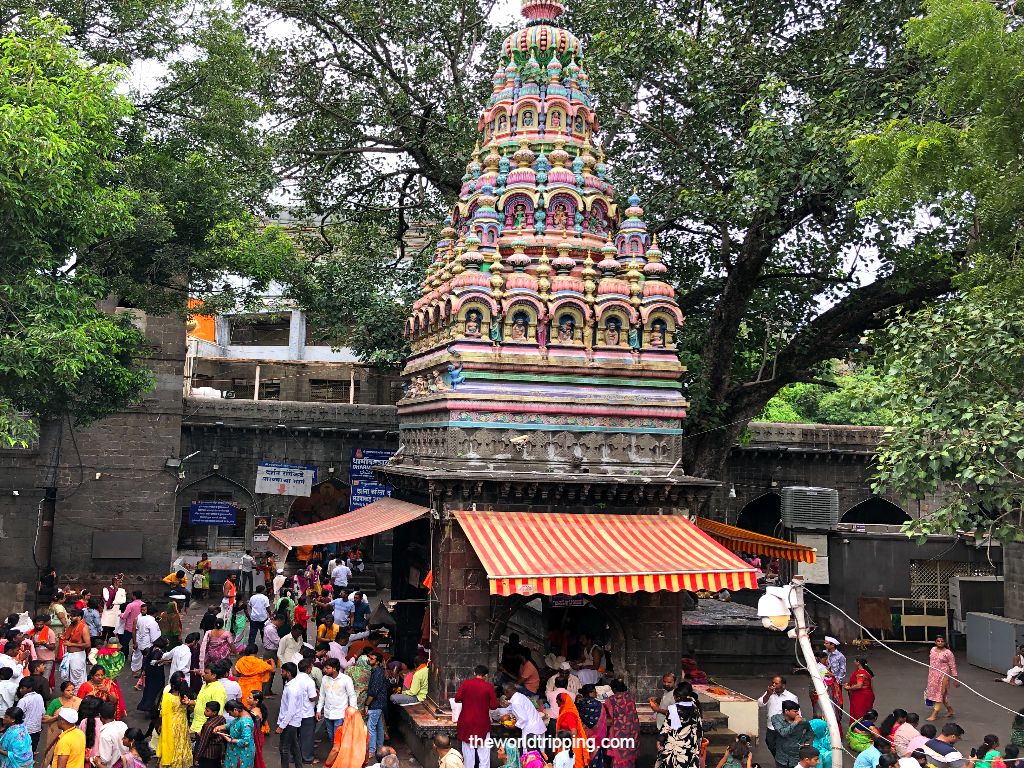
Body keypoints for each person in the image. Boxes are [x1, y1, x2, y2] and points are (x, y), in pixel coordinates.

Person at [455, 665, 498, 768]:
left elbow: (457, 698)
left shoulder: (466, 684)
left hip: (466, 722)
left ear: (474, 673)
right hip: (482, 724)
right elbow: (494, 706)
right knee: (484, 753)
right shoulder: (488, 687)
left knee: (468, 752)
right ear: (486, 676)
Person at [591, 680, 640, 768]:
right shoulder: (630, 697)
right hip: (632, 729)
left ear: (613, 689)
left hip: (619, 731)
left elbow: (606, 717)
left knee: (619, 756)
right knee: (629, 754)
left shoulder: (611, 700)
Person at [156, 673, 193, 768]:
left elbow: (162, 713)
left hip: (171, 724)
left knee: (170, 743)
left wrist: (160, 725)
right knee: (181, 743)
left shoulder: (168, 697)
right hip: (182, 724)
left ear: (172, 684)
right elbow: (190, 709)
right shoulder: (185, 697)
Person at [758, 676, 800, 758]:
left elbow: (797, 713)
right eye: (772, 683)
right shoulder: (769, 693)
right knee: (771, 745)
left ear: (783, 686)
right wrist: (767, 694)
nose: (773, 685)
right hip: (771, 727)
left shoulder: (791, 697)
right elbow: (760, 703)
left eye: (776, 683)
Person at [317, 658, 356, 744]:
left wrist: (352, 711)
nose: (324, 670)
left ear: (334, 669)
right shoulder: (324, 678)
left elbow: (352, 695)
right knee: (331, 737)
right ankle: (335, 754)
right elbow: (322, 695)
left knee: (337, 737)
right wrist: (319, 710)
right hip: (328, 713)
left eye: (327, 668)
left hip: (340, 713)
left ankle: (338, 756)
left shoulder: (346, 679)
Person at [276, 664, 305, 768]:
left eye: (283, 671)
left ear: (288, 673)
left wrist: (282, 726)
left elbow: (291, 710)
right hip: (293, 721)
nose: (281, 673)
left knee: (284, 748)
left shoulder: (291, 688)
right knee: (294, 747)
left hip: (289, 722)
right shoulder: (294, 685)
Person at [136, 638, 168, 732]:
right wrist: (163, 661)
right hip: (156, 675)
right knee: (155, 692)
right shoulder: (158, 651)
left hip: (150, 675)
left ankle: (147, 707)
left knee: (149, 691)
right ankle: (151, 709)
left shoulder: (151, 649)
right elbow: (153, 662)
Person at [925, 636, 959, 721]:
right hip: (933, 675)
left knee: (940, 693)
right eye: (938, 641)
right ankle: (950, 710)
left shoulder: (948, 653)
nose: (940, 642)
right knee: (941, 696)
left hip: (943, 676)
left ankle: (934, 714)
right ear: (935, 642)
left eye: (942, 641)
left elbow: (952, 665)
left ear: (944, 642)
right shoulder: (932, 650)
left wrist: (955, 678)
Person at [771, 701, 813, 768]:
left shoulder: (802, 721)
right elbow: (783, 733)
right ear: (786, 711)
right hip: (781, 757)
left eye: (798, 711)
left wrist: (803, 741)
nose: (797, 713)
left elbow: (810, 731)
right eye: (795, 711)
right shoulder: (776, 719)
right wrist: (795, 722)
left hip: (796, 757)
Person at [363, 652, 389, 758]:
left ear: (377, 662)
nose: (369, 659)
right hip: (379, 702)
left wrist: (367, 704)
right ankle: (380, 747)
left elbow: (374, 691)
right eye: (369, 657)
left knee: (371, 726)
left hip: (376, 703)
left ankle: (372, 751)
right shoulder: (376, 671)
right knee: (378, 726)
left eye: (372, 658)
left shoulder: (377, 672)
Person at [555, 693, 591, 768]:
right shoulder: (566, 711)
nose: (556, 702)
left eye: (557, 700)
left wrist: (562, 735)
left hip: (572, 744)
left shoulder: (569, 714)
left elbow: (574, 732)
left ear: (562, 701)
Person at [221, 700, 256, 768]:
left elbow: (246, 741)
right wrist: (221, 727)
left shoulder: (245, 722)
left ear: (235, 710)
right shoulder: (240, 716)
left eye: (230, 713)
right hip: (234, 752)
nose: (229, 715)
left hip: (241, 754)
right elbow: (232, 723)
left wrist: (230, 740)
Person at [61, 610, 92, 688]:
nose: (70, 618)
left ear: (79, 617)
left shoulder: (84, 627)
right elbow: (68, 637)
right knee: (68, 677)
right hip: (69, 655)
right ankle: (70, 695)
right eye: (70, 616)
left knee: (77, 678)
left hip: (78, 656)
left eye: (72, 616)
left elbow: (88, 644)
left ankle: (78, 697)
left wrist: (71, 644)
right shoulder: (71, 626)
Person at [192, 701, 226, 768]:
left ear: (214, 713)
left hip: (207, 754)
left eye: (207, 710)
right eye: (205, 709)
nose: (204, 711)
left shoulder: (208, 726)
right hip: (217, 752)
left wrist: (197, 757)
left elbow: (203, 743)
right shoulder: (221, 718)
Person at [94, 702, 127, 768]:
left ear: (100, 716)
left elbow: (105, 759)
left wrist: (95, 759)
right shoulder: (122, 724)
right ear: (114, 714)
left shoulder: (105, 734)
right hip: (125, 761)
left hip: (114, 765)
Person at [844, 658, 875, 723]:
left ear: (858, 662)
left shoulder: (861, 673)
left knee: (859, 714)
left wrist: (848, 688)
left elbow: (859, 685)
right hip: (866, 695)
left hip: (861, 696)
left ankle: (859, 730)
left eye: (855, 660)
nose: (853, 661)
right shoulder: (865, 671)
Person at [16, 680, 43, 752]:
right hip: (36, 729)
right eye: (20, 688)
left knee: (22, 752)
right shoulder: (39, 697)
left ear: (30, 688)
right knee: (31, 752)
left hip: (25, 730)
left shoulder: (23, 700)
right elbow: (42, 712)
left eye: (23, 688)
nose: (20, 690)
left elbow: (17, 714)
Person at [29, 615, 58, 681]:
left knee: (44, 679)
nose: (39, 626)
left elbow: (53, 647)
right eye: (37, 624)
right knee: (35, 679)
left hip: (47, 660)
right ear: (34, 624)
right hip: (37, 660)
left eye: (41, 624)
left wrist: (44, 644)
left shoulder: (50, 632)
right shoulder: (33, 632)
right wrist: (34, 644)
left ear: (44, 624)